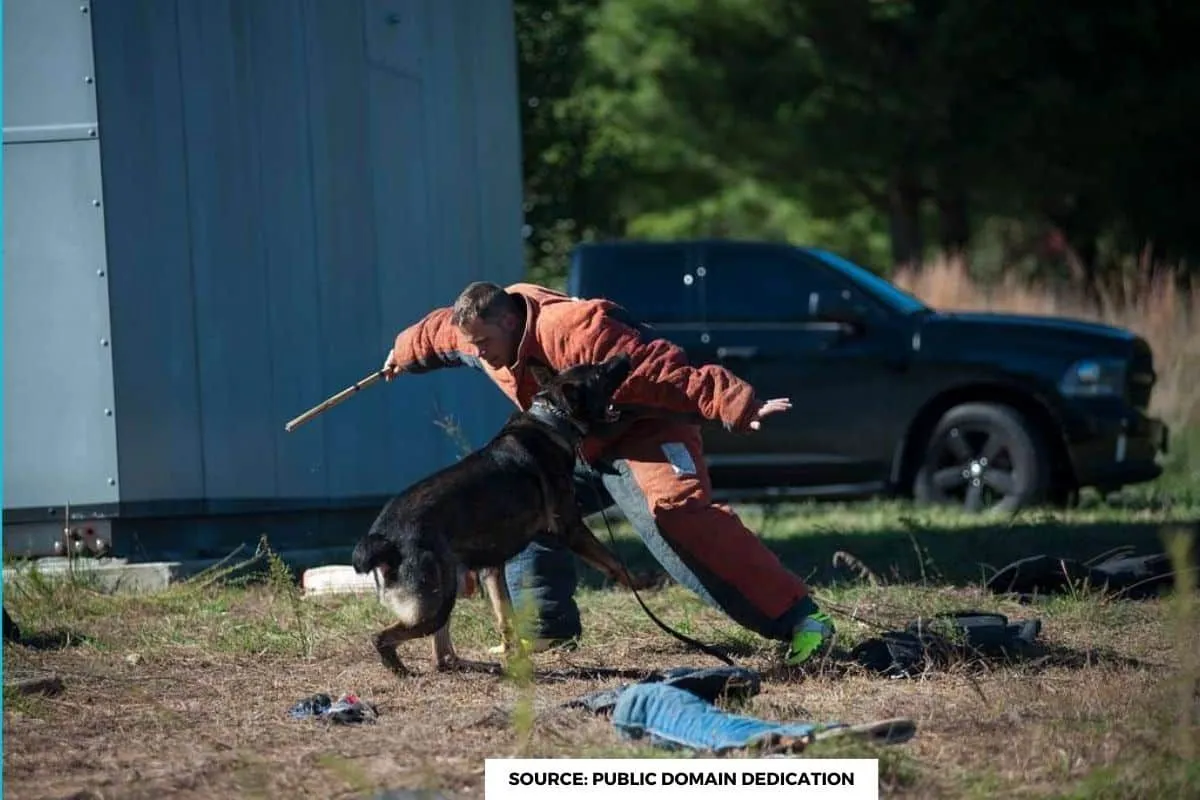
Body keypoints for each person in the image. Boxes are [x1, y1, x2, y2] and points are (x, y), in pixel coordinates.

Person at [382, 281, 834, 667]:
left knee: (677, 518)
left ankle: (802, 620)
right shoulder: (479, 330)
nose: (478, 355)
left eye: (483, 345)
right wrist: (400, 354)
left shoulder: (578, 330)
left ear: (506, 322)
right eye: (473, 346)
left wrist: (737, 404)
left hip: (644, 434)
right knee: (522, 499)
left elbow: (661, 369)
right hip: (572, 446)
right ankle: (546, 629)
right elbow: (439, 333)